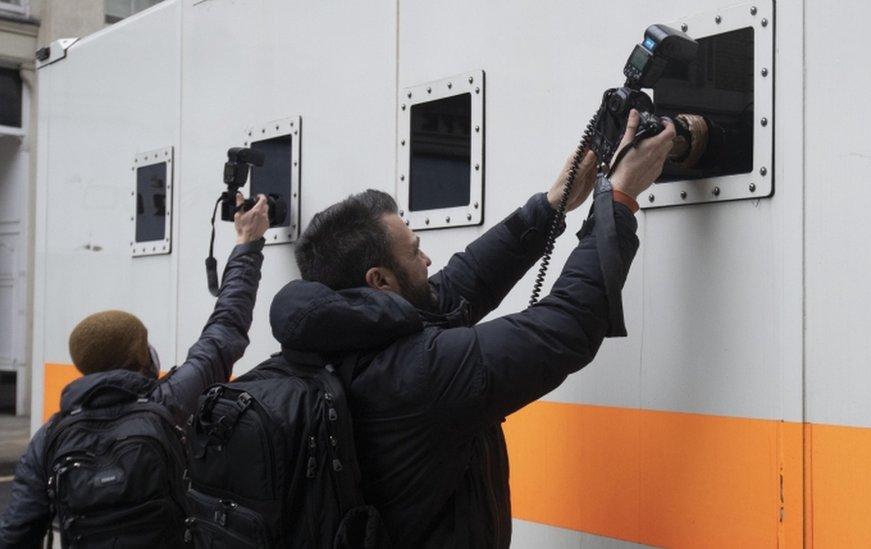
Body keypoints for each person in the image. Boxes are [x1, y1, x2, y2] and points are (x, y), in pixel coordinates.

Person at [269, 110, 675, 547]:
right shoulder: (417, 374)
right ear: (379, 280)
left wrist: (552, 205)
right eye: (415, 252)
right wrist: (618, 201)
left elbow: (458, 287)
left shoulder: (335, 339)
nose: (427, 263)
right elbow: (566, 326)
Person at [0, 195, 271, 548]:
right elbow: (225, 328)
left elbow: (17, 532)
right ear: (144, 358)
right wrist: (247, 244)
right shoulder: (170, 401)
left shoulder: (50, 437)